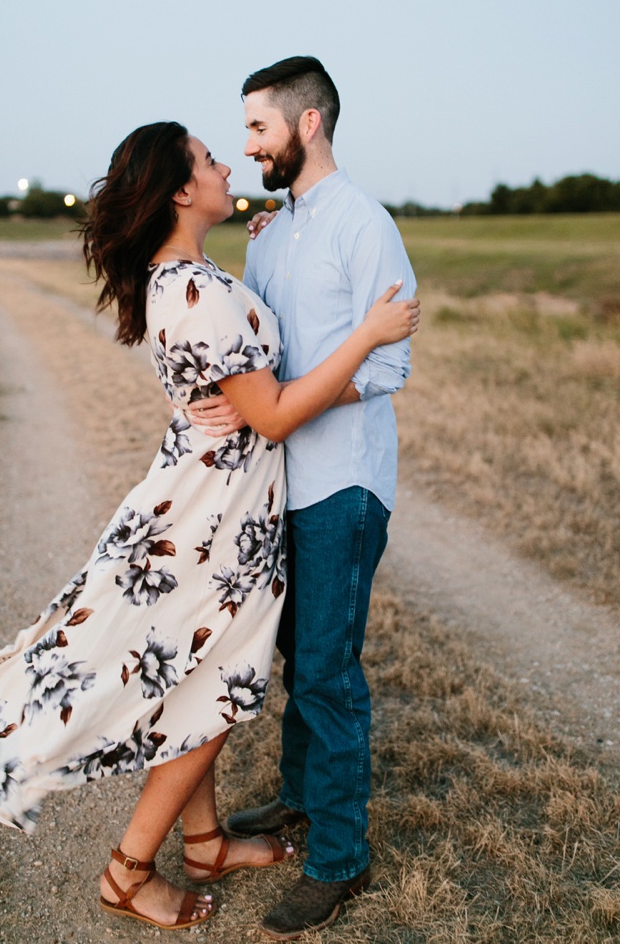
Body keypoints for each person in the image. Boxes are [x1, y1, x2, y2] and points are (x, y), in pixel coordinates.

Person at [0, 121, 418, 932]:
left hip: (220, 502)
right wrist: (367, 339)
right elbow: (271, 415)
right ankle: (129, 873)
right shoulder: (193, 292)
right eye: (209, 159)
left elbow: (246, 378)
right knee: (219, 683)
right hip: (215, 518)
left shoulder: (195, 276)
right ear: (180, 190)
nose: (225, 163)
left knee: (192, 673)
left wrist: (273, 247)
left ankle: (204, 843)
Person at [190, 56, 418, 940]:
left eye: (259, 127)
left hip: (342, 485)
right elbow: (266, 351)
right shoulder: (273, 232)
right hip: (277, 483)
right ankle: (298, 795)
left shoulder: (364, 224)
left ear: (307, 123)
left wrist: (289, 407)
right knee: (296, 657)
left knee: (327, 670)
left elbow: (389, 365)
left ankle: (339, 857)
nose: (249, 144)